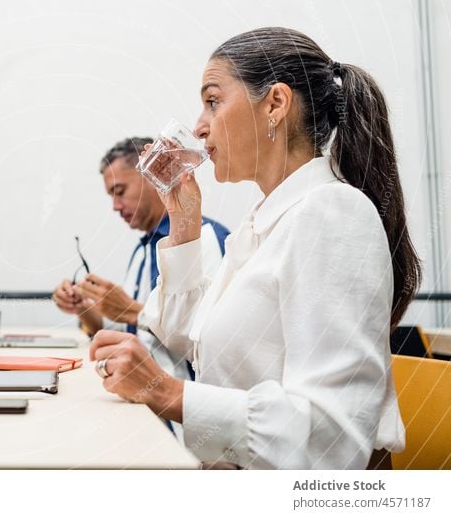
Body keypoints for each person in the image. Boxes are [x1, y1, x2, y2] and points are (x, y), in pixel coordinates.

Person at [90, 27, 421, 470]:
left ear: (275, 104)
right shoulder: (264, 221)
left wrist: (169, 394)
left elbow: (333, 436)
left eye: (212, 100)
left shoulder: (331, 214)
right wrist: (184, 220)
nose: (199, 126)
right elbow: (187, 337)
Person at [52, 138, 229, 381]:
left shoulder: (206, 238)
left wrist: (132, 311)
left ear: (152, 177)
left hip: (180, 408)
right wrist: (82, 308)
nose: (114, 206)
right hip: (143, 397)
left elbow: (215, 342)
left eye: (120, 191)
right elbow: (128, 330)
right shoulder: (142, 250)